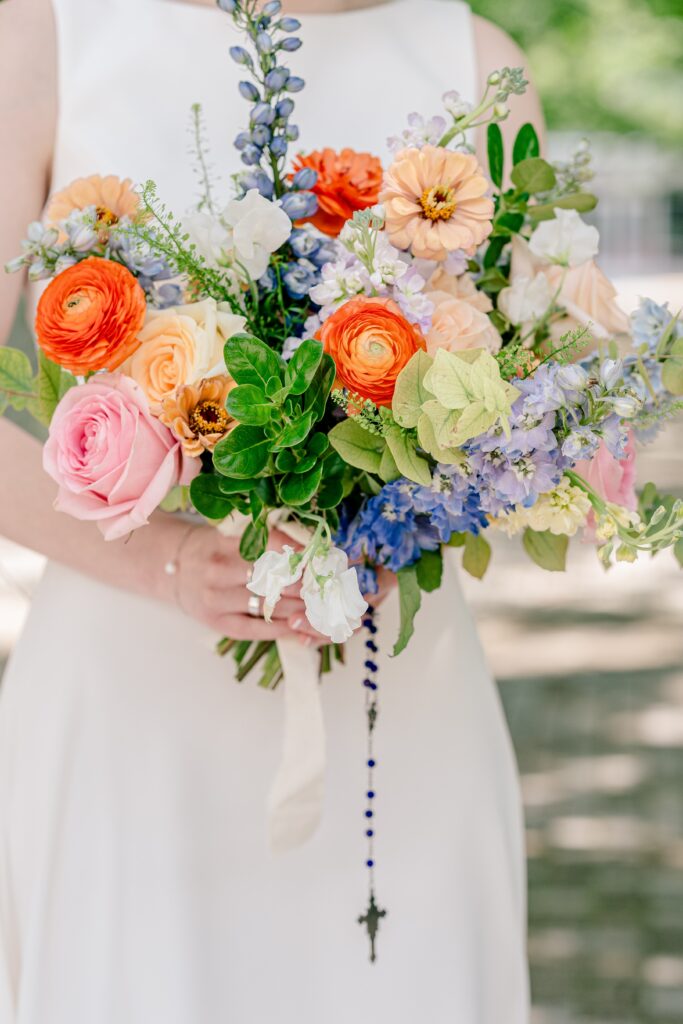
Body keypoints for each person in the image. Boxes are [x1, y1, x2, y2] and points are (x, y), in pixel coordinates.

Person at [0, 1, 543, 1020]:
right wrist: (166, 560)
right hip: (130, 718)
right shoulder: (47, 35)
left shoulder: (475, 59)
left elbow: (522, 395)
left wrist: (416, 508)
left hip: (397, 717)